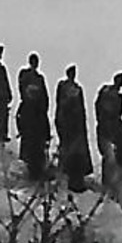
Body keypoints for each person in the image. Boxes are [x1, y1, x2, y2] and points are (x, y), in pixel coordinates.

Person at [54, 65, 93, 193]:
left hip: (77, 127)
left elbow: (81, 108)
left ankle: (77, 179)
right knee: (67, 151)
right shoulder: (64, 87)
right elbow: (60, 104)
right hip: (68, 125)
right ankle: (64, 177)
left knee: (77, 153)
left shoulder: (78, 89)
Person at [15, 53, 51, 181]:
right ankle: (32, 172)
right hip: (32, 115)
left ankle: (36, 171)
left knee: (35, 145)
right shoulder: (27, 76)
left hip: (36, 115)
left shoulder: (38, 78)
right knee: (32, 145)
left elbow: (45, 98)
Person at [95, 72, 122, 192]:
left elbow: (118, 113)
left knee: (118, 154)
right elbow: (99, 107)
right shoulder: (106, 92)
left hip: (113, 127)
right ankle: (108, 184)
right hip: (106, 127)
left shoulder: (119, 96)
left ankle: (118, 182)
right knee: (109, 156)